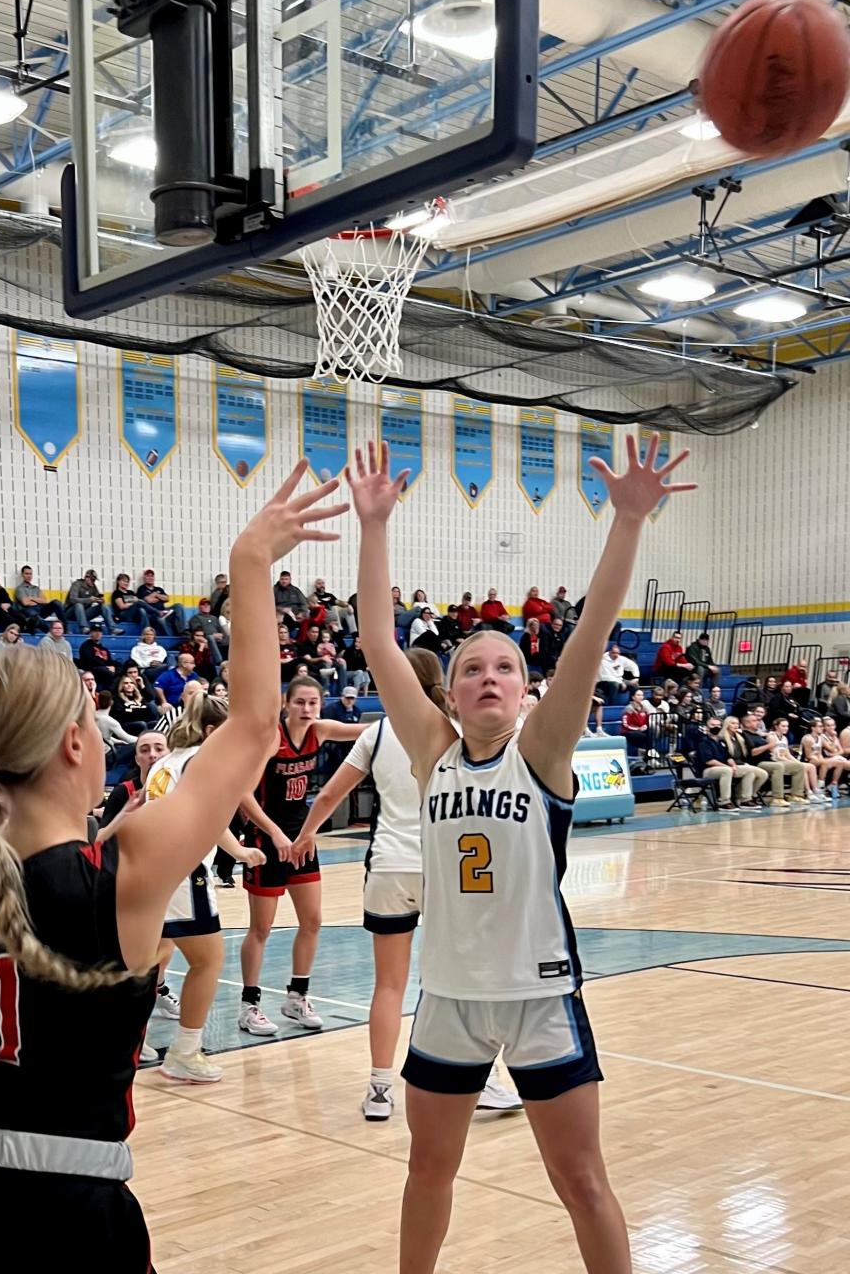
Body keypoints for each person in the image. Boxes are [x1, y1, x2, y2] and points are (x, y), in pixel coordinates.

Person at [0, 460, 345, 1268]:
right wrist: (251, 563)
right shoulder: (125, 868)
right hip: (70, 1210)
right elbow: (252, 726)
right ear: (75, 743)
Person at [349, 433, 694, 1274]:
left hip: (541, 997)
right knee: (429, 1171)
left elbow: (593, 631)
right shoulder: (432, 749)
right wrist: (373, 528)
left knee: (580, 1179)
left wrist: (628, 524)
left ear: (528, 687)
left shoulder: (540, 751)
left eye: (506, 666)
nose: (491, 677)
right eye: (473, 668)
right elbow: (377, 642)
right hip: (452, 1000)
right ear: (453, 689)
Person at [289, 648, 521, 1121]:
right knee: (460, 982)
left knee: (388, 986)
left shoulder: (377, 732)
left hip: (390, 866)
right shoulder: (461, 729)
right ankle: (481, 1081)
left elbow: (332, 792)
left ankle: (379, 1089)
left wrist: (304, 835)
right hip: (447, 868)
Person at [141, 694, 267, 1082]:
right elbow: (208, 818)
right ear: (213, 731)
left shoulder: (166, 762)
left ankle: (129, 1039)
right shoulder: (201, 760)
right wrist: (240, 851)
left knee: (152, 956)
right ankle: (184, 1052)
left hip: (148, 867)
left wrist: (238, 851)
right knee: (208, 960)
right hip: (181, 867)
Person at [237, 676, 366, 1037]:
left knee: (312, 921)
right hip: (266, 842)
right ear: (286, 704)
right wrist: (275, 834)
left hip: (302, 841)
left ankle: (297, 996)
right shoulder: (271, 738)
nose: (307, 709)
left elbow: (366, 730)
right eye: (300, 703)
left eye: (313, 703)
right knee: (261, 928)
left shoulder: (321, 730)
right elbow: (243, 793)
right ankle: (249, 1005)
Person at [99, 730, 168, 829]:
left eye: (159, 749)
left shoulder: (180, 789)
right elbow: (101, 840)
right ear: (137, 759)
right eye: (144, 750)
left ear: (170, 755)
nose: (152, 755)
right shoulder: (122, 793)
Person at [740, 712, 807, 807]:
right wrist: (769, 746)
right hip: (757, 763)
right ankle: (777, 798)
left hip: (769, 761)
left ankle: (796, 795)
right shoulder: (745, 735)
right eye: (754, 721)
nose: (758, 723)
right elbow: (752, 752)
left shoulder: (757, 735)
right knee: (778, 766)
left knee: (798, 766)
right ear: (747, 723)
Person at [769, 717, 825, 803]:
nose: (786, 728)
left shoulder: (784, 738)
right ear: (776, 727)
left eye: (787, 726)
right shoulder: (771, 736)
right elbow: (775, 755)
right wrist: (793, 762)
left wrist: (796, 761)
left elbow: (787, 754)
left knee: (811, 766)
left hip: (785, 761)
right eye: (783, 726)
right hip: (776, 762)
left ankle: (815, 790)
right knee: (802, 767)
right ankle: (808, 792)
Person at [719, 716, 770, 807]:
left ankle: (748, 794)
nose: (735, 725)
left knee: (763, 774)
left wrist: (744, 733)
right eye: (733, 723)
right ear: (726, 725)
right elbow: (726, 756)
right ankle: (744, 799)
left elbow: (750, 746)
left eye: (737, 724)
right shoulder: (722, 737)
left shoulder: (738, 737)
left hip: (741, 763)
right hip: (730, 765)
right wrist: (736, 764)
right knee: (750, 771)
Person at [800, 717, 848, 799]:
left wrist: (834, 738)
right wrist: (823, 761)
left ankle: (832, 785)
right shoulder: (808, 738)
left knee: (840, 763)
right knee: (825, 762)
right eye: (820, 726)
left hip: (817, 759)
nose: (822, 728)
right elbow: (808, 756)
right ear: (813, 728)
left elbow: (831, 749)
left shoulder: (820, 738)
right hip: (807, 760)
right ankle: (819, 787)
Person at [14, 566, 67, 632]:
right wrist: (37, 600)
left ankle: (65, 628)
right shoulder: (20, 588)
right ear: (22, 575)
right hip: (28, 610)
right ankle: (50, 632)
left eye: (30, 574)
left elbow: (44, 600)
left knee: (56, 602)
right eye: (26, 574)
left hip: (40, 609)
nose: (29, 576)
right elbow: (25, 602)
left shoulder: (36, 588)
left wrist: (31, 598)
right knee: (33, 615)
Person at [66, 570, 118, 634]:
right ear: (86, 578)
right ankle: (84, 627)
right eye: (92, 580)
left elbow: (98, 597)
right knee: (79, 605)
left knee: (103, 607)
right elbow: (72, 599)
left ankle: (112, 629)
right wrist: (88, 600)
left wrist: (100, 601)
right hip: (70, 613)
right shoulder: (77, 584)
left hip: (84, 613)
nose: (93, 582)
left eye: (94, 580)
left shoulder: (93, 587)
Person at [136, 570, 186, 636]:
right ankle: (170, 639)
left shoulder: (159, 589)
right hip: (152, 614)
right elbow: (148, 600)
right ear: (144, 578)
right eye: (148, 576)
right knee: (161, 620)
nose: (150, 578)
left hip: (164, 612)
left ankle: (181, 631)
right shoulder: (141, 589)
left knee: (178, 606)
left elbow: (167, 598)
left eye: (152, 576)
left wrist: (156, 595)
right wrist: (158, 596)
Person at [620, 690, 650, 757]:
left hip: (641, 730)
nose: (640, 697)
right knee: (644, 736)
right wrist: (638, 729)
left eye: (642, 695)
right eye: (638, 695)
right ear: (633, 697)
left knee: (651, 733)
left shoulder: (644, 708)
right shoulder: (628, 708)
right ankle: (647, 755)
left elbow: (648, 720)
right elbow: (626, 725)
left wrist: (646, 726)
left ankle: (647, 756)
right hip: (628, 732)